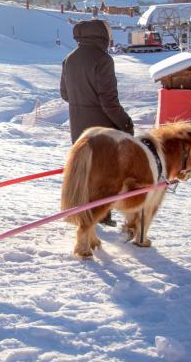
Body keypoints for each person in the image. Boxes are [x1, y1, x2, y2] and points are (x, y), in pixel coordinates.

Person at [60, 20, 135, 227]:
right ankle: (102, 214)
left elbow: (65, 94)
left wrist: (82, 101)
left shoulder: (69, 58)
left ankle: (84, 211)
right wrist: (126, 124)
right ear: (103, 35)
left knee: (85, 170)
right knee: (105, 172)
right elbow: (109, 102)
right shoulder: (103, 60)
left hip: (78, 127)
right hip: (101, 128)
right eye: (109, 34)